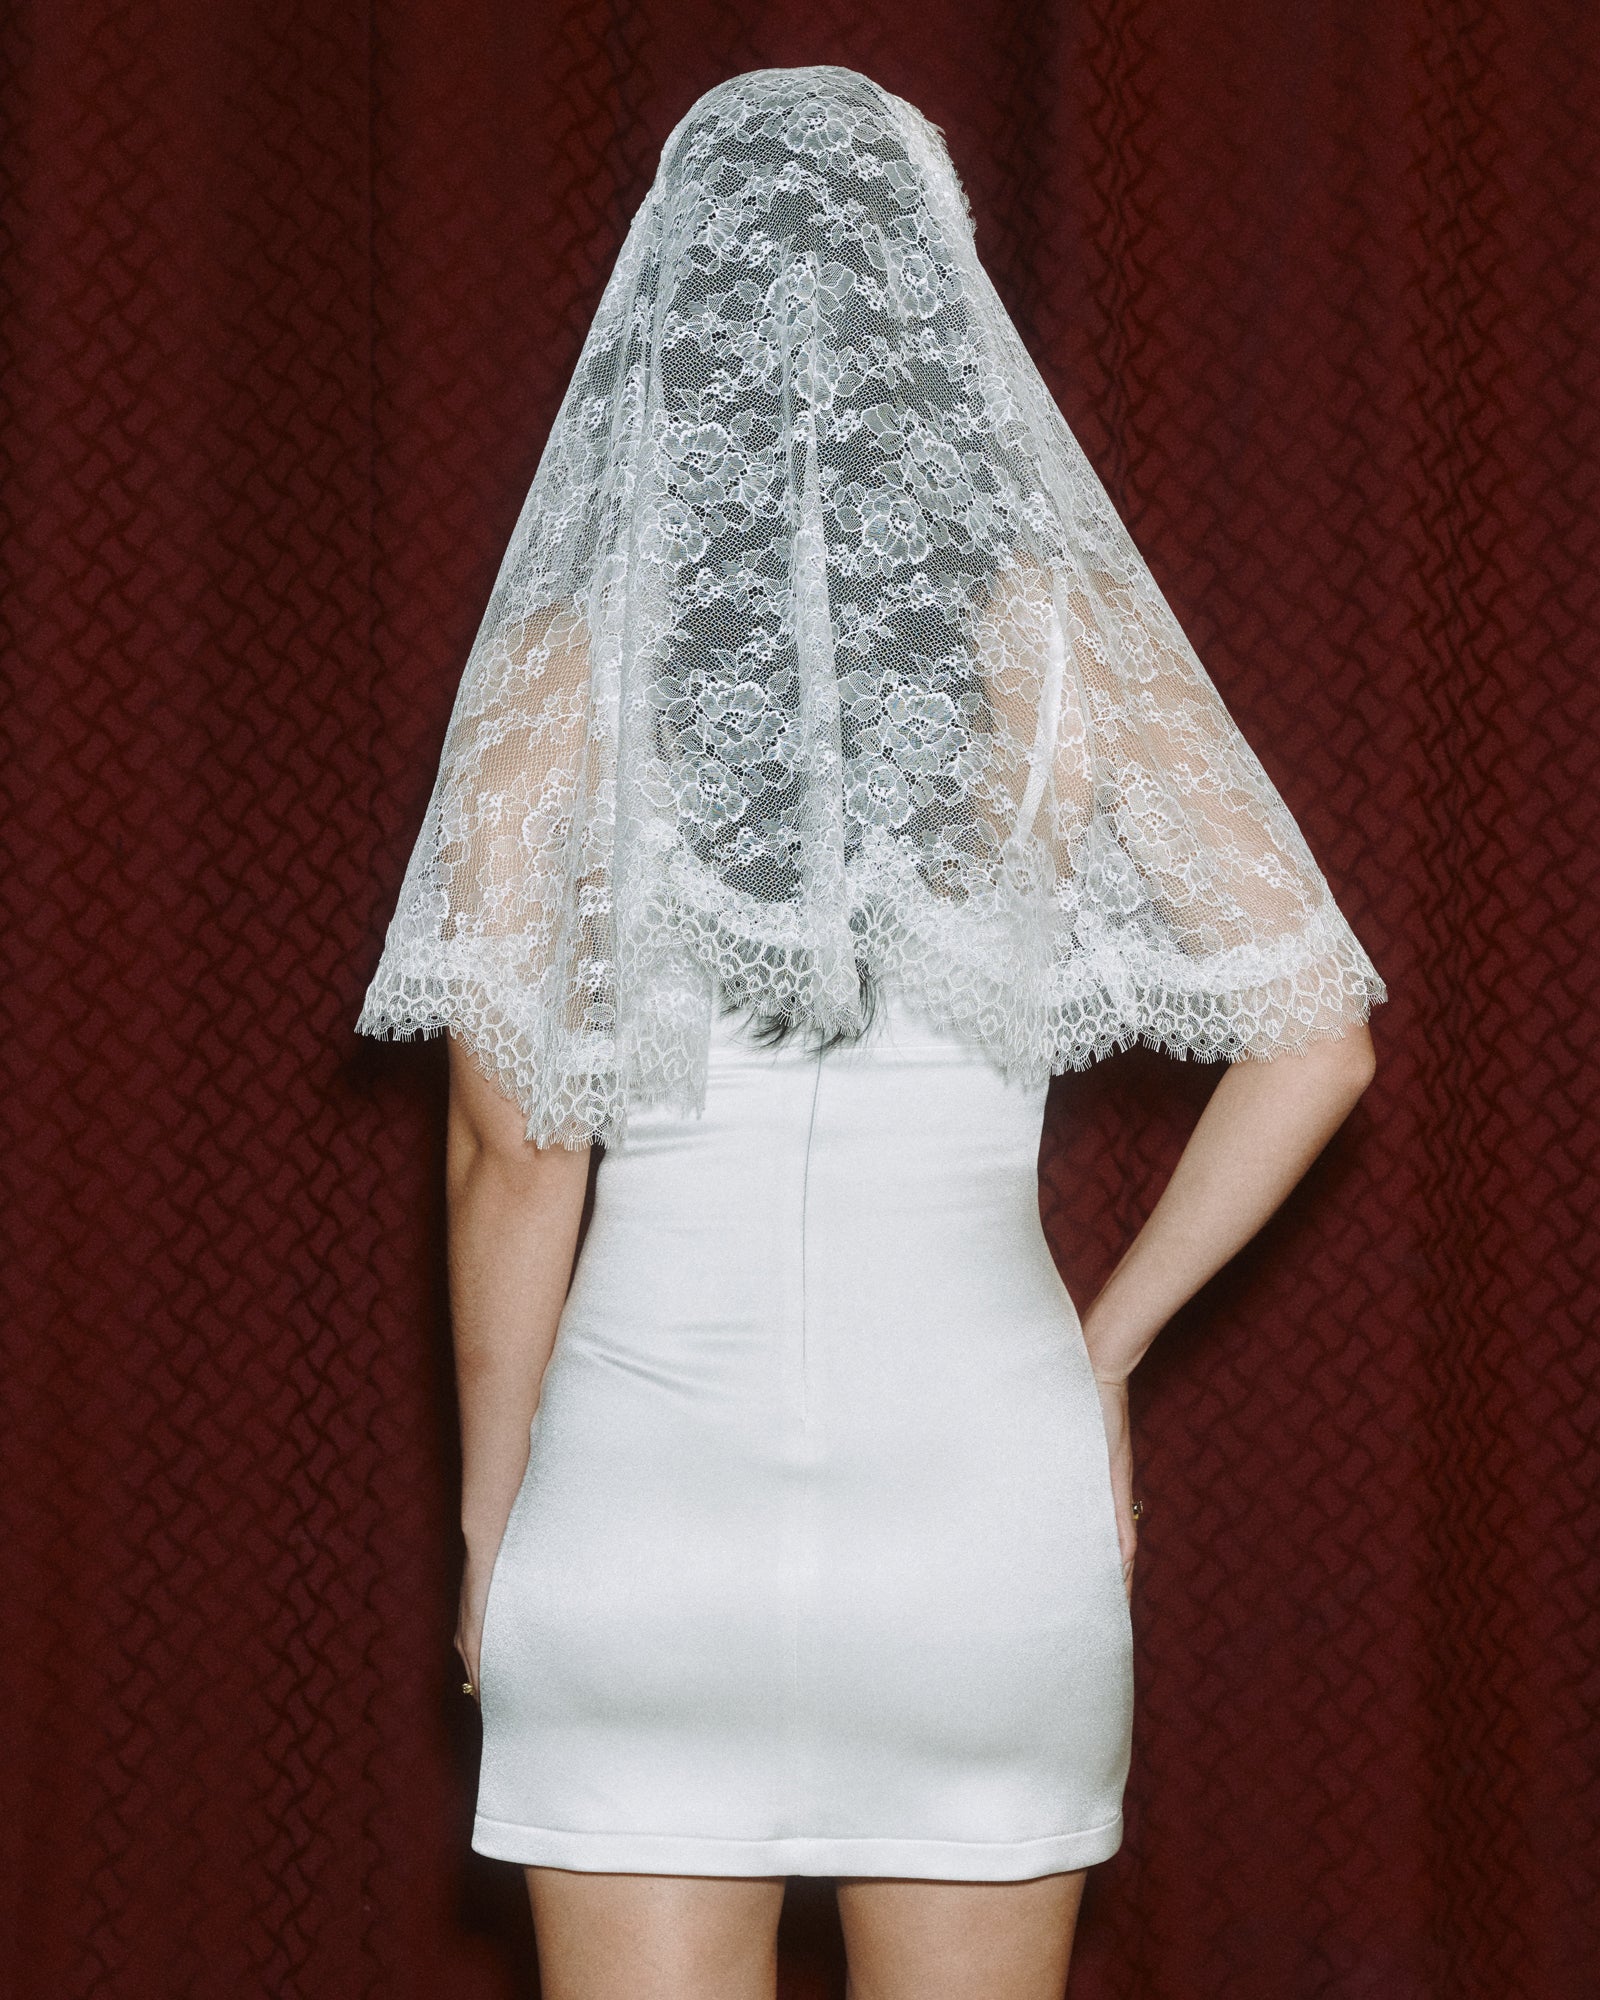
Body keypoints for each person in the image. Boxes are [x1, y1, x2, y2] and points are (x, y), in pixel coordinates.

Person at [356, 64, 1385, 2000]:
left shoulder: (564, 673)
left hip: (639, 1523)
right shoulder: (1061, 650)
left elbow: (514, 1150)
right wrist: (1102, 1354)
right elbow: (1317, 1036)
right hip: (982, 1517)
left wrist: (495, 1517)